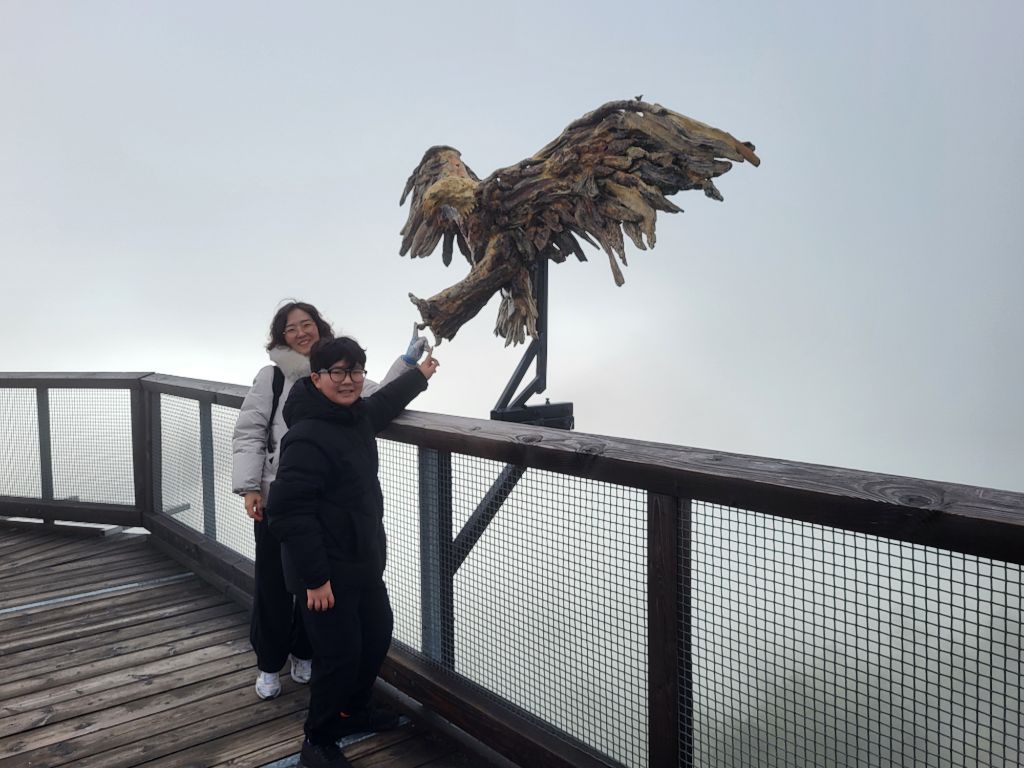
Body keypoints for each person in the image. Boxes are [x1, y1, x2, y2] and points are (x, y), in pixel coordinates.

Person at [232, 301, 426, 700]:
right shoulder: (272, 377)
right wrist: (250, 486)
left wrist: (408, 364)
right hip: (274, 497)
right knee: (273, 585)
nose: (301, 332)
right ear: (281, 337)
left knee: (315, 588)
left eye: (307, 324)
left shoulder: (338, 370)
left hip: (324, 505)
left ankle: (303, 654)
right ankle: (269, 662)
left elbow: (376, 399)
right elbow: (250, 430)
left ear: (320, 328)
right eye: (291, 328)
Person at [265, 336, 438, 768]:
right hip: (324, 569)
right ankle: (318, 739)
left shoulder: (354, 415)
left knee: (376, 635)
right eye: (337, 372)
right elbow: (289, 512)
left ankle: (352, 711)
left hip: (361, 558)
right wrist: (315, 579)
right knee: (339, 656)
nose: (348, 380)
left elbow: (384, 403)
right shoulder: (306, 435)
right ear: (317, 378)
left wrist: (418, 375)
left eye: (356, 371)